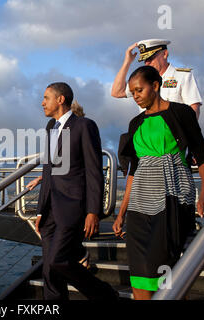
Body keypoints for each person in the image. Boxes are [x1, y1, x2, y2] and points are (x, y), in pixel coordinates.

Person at [112, 66, 204, 300]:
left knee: (163, 271)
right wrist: (121, 212)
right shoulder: (135, 123)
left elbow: (203, 156)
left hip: (172, 198)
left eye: (139, 90)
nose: (135, 95)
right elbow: (133, 171)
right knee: (139, 274)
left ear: (156, 86)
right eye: (132, 92)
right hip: (139, 203)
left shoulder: (180, 113)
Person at [26, 82, 118, 301]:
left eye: (46, 97)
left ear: (60, 99)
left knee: (58, 260)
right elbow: (48, 170)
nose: (42, 102)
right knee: (49, 271)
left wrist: (92, 211)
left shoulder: (84, 126)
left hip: (72, 208)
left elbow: (94, 171)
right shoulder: (50, 127)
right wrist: (40, 211)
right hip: (49, 211)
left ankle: (106, 295)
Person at [111, 39, 203, 119]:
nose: (147, 63)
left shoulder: (183, 76)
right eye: (145, 60)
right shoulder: (143, 79)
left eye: (150, 58)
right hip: (149, 134)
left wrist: (186, 133)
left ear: (165, 54)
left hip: (174, 134)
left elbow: (194, 108)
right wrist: (127, 62)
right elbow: (117, 92)